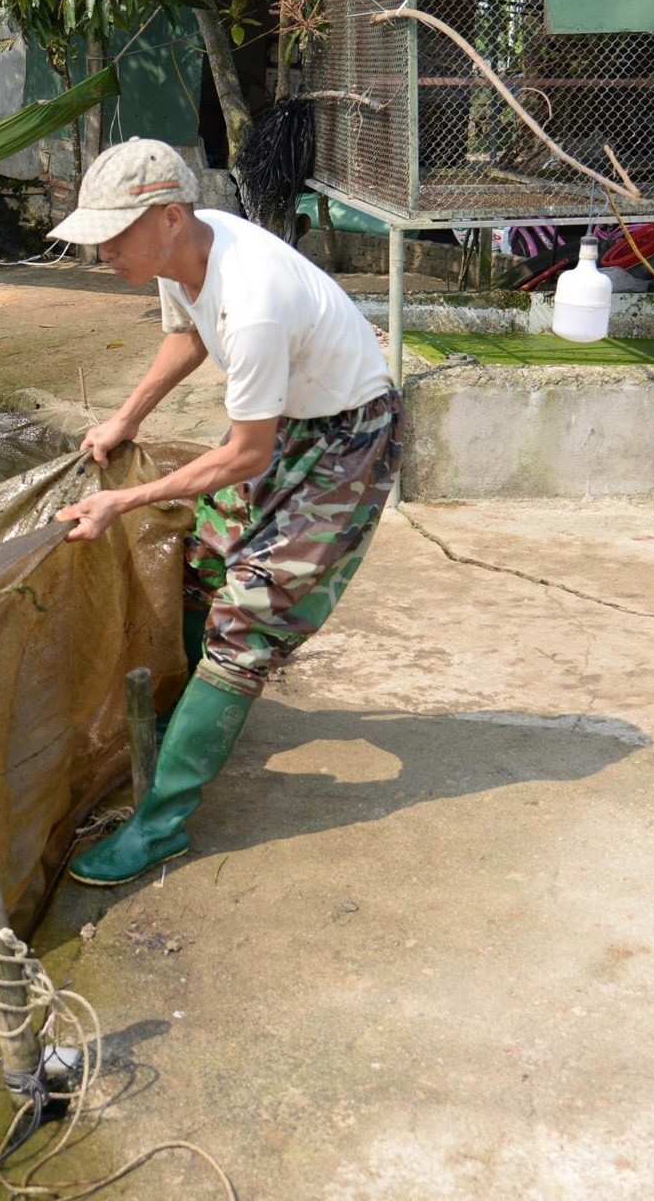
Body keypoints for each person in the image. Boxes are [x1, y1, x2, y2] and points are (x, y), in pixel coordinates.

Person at [49, 139, 401, 887]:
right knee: (204, 564)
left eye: (112, 235)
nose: (102, 251)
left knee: (248, 621)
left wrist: (125, 498)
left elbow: (244, 456)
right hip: (293, 419)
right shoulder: (181, 255)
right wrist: (126, 419)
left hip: (348, 438)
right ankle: (186, 727)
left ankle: (160, 824)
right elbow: (184, 335)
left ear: (168, 217)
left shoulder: (253, 302)